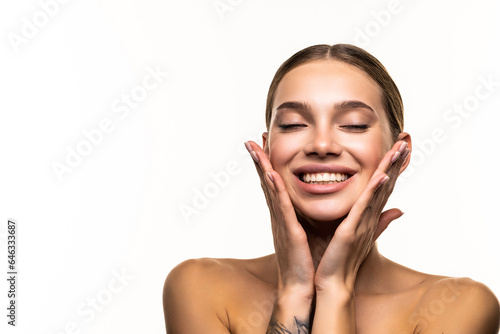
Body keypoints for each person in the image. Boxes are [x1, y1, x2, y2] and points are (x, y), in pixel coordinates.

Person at [162, 44, 500, 333]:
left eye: (354, 124)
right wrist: (294, 290)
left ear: (400, 153)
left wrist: (335, 288)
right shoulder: (201, 287)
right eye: (293, 124)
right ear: (267, 150)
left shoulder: (457, 306)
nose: (321, 144)